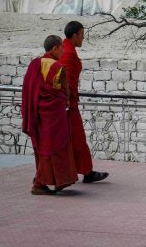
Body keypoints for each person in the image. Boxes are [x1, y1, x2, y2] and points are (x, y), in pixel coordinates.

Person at [22, 35, 78, 195]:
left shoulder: (35, 64)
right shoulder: (57, 66)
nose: (63, 50)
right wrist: (66, 99)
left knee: (45, 146)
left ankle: (57, 181)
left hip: (38, 113)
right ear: (55, 49)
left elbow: (29, 89)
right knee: (54, 147)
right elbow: (63, 90)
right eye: (62, 47)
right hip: (54, 114)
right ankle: (40, 183)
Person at [59, 21, 109, 183]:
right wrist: (67, 100)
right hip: (67, 103)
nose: (83, 39)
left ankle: (83, 171)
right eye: (82, 35)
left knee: (73, 138)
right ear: (75, 36)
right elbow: (67, 79)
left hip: (67, 101)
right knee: (77, 138)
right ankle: (86, 172)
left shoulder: (66, 48)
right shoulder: (68, 53)